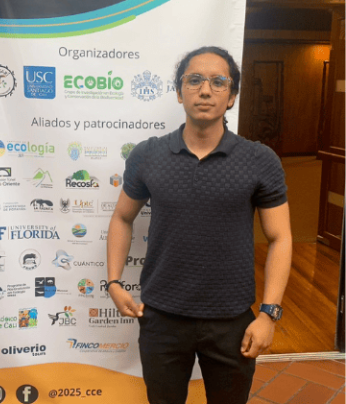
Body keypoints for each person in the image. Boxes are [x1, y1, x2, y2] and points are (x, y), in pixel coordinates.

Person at [106, 46, 292, 404]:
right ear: (179, 92)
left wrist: (269, 313)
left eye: (218, 82)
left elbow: (281, 237)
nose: (205, 90)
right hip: (161, 318)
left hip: (232, 320)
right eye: (194, 80)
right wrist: (113, 281)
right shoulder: (148, 154)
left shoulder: (259, 160)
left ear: (232, 96)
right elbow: (122, 217)